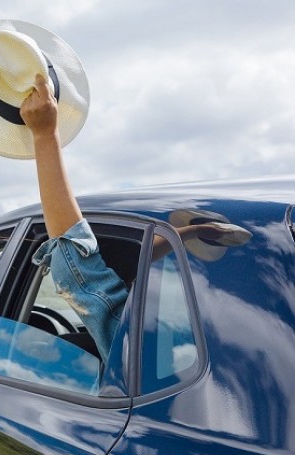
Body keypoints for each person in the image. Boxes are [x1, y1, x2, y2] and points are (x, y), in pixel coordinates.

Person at [19, 73, 236, 359]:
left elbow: (76, 270)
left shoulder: (142, 349)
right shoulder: (232, 336)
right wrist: (189, 233)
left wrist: (45, 136)